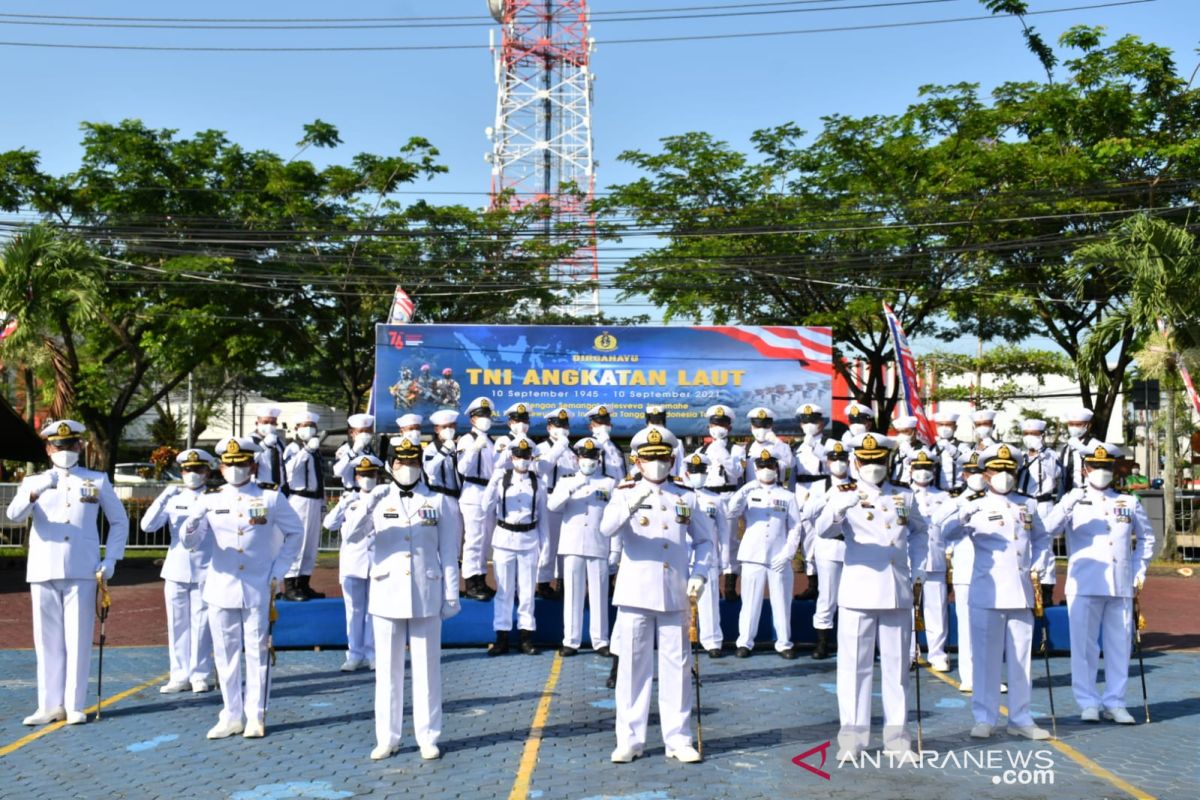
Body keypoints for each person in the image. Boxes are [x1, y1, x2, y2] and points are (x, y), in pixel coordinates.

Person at [342, 439, 462, 760]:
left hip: (426, 592)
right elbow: (350, 536)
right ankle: (388, 737)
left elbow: (449, 552)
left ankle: (428, 736)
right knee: (388, 672)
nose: (406, 468)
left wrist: (452, 594)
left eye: (412, 462)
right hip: (386, 593)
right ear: (391, 465)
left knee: (427, 669)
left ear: (420, 464)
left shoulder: (439, 500)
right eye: (400, 462)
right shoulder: (378, 500)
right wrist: (367, 504)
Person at [601, 425, 714, 764]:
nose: (657, 465)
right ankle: (629, 739)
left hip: (674, 591)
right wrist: (632, 502)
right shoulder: (624, 492)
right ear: (636, 460)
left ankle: (678, 739)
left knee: (676, 667)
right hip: (635, 592)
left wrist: (700, 573)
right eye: (650, 459)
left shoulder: (686, 494)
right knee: (633, 668)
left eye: (663, 458)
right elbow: (606, 529)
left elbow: (706, 541)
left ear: (672, 458)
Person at [813, 433, 929, 758]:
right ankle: (852, 740)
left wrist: (918, 566)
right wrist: (837, 510)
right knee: (854, 669)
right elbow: (822, 530)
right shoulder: (842, 493)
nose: (874, 467)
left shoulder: (904, 497)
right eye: (868, 462)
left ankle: (897, 740)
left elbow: (921, 532)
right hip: (860, 591)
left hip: (896, 590)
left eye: (880, 461)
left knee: (897, 670)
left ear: (887, 461)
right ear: (856, 462)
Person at [7, 420, 129, 726]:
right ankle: (49, 705)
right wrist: (34, 493)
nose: (65, 451)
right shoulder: (32, 481)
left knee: (77, 639)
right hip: (44, 567)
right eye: (58, 446)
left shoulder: (96, 480)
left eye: (70, 445)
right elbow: (12, 516)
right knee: (46, 641)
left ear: (79, 447)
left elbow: (119, 522)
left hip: (82, 568)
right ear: (48, 449)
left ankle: (74, 704)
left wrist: (111, 558)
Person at [182, 437, 304, 739]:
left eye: (241, 464)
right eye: (230, 465)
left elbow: (295, 533)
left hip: (258, 585)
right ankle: (231, 715)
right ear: (221, 468)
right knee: (224, 655)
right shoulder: (210, 499)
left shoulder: (271, 498)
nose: (235, 469)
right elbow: (191, 543)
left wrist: (279, 571)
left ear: (253, 465)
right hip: (221, 586)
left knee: (257, 653)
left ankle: (256, 715)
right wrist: (191, 523)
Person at [941, 443, 1053, 740]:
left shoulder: (1027, 505)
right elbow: (945, 534)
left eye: (1008, 470)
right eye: (997, 470)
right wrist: (962, 515)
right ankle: (985, 717)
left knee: (1021, 661)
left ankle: (1021, 718)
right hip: (987, 593)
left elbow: (1042, 539)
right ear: (986, 474)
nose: (1004, 475)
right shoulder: (975, 505)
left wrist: (1037, 565)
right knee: (986, 659)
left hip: (1021, 592)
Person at [1043, 443, 1154, 725]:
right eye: (1095, 467)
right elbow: (1046, 531)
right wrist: (1067, 502)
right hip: (1085, 583)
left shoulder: (1128, 502)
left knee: (1120, 645)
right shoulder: (1074, 501)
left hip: (1120, 584)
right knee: (1084, 647)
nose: (1101, 472)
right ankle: (1088, 701)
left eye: (1106, 467)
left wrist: (1139, 572)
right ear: (1085, 469)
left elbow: (1147, 539)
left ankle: (1116, 702)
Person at [141, 448, 217, 694]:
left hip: (206, 567)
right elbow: (148, 526)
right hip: (176, 568)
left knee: (202, 624)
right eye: (188, 469)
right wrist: (162, 498)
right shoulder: (173, 498)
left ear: (207, 471)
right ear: (181, 471)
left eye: (198, 469)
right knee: (177, 624)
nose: (192, 474)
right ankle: (179, 674)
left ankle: (200, 674)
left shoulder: (216, 498)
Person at [727, 449, 803, 659]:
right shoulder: (749, 493)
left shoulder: (787, 496)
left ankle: (784, 642)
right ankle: (745, 642)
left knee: (781, 601)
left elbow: (795, 527)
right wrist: (744, 489)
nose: (767, 470)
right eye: (762, 467)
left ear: (777, 469)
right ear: (756, 469)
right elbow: (731, 512)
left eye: (770, 466)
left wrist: (788, 553)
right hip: (753, 555)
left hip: (779, 555)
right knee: (750, 602)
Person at [549, 438, 617, 656]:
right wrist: (573, 488)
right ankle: (571, 640)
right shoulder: (566, 481)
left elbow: (614, 518)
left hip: (599, 544)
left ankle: (600, 641)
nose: (589, 461)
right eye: (585, 457)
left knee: (599, 595)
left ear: (598, 459)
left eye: (593, 457)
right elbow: (553, 506)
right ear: (578, 459)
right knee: (572, 595)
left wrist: (615, 549)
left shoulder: (608, 483)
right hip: (573, 545)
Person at [482, 437, 548, 656]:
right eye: (518, 456)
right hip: (504, 539)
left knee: (528, 592)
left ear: (531, 457)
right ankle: (501, 636)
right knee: (504, 590)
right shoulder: (501, 479)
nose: (522, 460)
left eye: (526, 456)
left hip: (529, 539)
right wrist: (493, 480)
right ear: (511, 457)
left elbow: (544, 519)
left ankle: (526, 637)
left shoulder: (539, 482)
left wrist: (545, 548)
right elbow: (485, 506)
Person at [323, 455, 383, 673]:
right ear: (356, 477)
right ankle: (354, 654)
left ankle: (372, 653)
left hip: (377, 561)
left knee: (374, 610)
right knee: (354, 610)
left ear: (377, 476)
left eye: (371, 475)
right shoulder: (349, 499)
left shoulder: (384, 498)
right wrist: (341, 506)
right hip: (353, 561)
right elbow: (329, 525)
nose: (367, 479)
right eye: (363, 475)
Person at [799, 440, 853, 660]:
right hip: (828, 547)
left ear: (849, 461)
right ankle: (822, 642)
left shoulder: (858, 484)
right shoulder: (819, 486)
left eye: (842, 459)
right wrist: (828, 496)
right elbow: (808, 512)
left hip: (852, 547)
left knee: (851, 597)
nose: (838, 463)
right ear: (826, 461)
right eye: (834, 459)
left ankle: (849, 643)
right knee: (827, 596)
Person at [941, 453, 988, 692]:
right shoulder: (955, 501)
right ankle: (969, 676)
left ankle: (987, 675)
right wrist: (960, 507)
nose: (977, 477)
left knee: (988, 628)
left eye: (981, 472)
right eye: (972, 473)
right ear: (964, 475)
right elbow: (937, 525)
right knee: (968, 626)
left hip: (990, 573)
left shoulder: (993, 500)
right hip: (965, 570)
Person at [681, 451, 731, 657]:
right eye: (693, 471)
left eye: (700, 471)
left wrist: (725, 558)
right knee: (680, 601)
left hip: (707, 557)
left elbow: (724, 531)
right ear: (686, 472)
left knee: (709, 601)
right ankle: (683, 640)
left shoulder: (716, 499)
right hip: (682, 556)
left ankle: (712, 642)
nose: (697, 475)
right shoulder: (679, 496)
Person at [907, 448, 953, 671]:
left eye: (926, 468)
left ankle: (937, 653)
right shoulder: (903, 495)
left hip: (935, 558)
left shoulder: (944, 498)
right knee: (908, 608)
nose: (922, 472)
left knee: (937, 610)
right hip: (909, 559)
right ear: (910, 469)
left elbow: (950, 530)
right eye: (918, 467)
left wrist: (949, 556)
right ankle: (909, 651)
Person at [1016, 418, 1062, 609]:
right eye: (1027, 434)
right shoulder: (1021, 456)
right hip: (1024, 503)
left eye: (1034, 435)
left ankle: (1045, 590)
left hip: (1043, 503)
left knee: (1044, 547)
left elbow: (1054, 473)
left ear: (1042, 436)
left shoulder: (1050, 456)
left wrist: (1042, 452)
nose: (1030, 438)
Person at [533, 407, 578, 600]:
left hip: (569, 501)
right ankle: (543, 582)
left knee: (566, 544)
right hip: (549, 499)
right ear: (550, 427)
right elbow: (541, 468)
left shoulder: (571, 450)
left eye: (565, 425)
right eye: (558, 425)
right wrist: (559, 446)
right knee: (548, 543)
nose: (563, 429)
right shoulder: (541, 447)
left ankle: (561, 582)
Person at [282, 411, 326, 601]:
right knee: (297, 541)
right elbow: (289, 472)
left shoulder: (315, 449)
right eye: (304, 425)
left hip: (314, 500)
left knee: (310, 543)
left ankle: (304, 583)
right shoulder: (293, 448)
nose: (309, 429)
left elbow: (320, 478)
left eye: (312, 426)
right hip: (298, 499)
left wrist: (323, 502)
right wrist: (305, 452)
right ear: (297, 429)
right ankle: (290, 585)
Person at [458, 398, 499, 601]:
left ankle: (481, 578)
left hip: (489, 492)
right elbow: (462, 468)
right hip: (473, 491)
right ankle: (471, 582)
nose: (485, 419)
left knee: (485, 540)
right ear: (472, 419)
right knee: (473, 539)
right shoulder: (467, 439)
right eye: (481, 415)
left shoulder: (491, 441)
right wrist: (473, 449)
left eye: (487, 415)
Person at [700, 405, 742, 599]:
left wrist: (725, 456)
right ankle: (713, 584)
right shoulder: (702, 449)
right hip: (708, 497)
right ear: (709, 427)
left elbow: (737, 473)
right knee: (711, 541)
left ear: (729, 427)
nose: (718, 428)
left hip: (728, 496)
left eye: (723, 424)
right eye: (715, 424)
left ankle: (730, 586)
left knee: (730, 541)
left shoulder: (736, 450)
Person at [793, 404, 827, 601]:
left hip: (821, 489)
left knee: (824, 537)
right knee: (807, 541)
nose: (808, 425)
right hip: (802, 493)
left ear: (821, 423)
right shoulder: (797, 447)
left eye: (812, 421)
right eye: (805, 422)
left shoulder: (829, 443)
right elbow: (792, 476)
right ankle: (812, 582)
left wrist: (815, 446)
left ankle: (825, 581)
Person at [734, 407, 794, 486]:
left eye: (765, 426)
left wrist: (777, 442)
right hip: (752, 493)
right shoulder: (745, 448)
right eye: (757, 426)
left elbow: (791, 463)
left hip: (775, 493)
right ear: (752, 427)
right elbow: (736, 472)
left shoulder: (780, 447)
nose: (761, 430)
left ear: (771, 427)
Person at [423, 409, 462, 499]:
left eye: (451, 426)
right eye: (444, 427)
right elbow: (430, 471)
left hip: (457, 497)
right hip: (438, 497)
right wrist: (444, 451)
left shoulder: (459, 446)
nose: (448, 429)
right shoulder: (431, 449)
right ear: (437, 429)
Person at [334, 413, 378, 491]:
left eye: (368, 431)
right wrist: (353, 452)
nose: (365, 434)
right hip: (353, 493)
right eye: (361, 431)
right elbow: (337, 472)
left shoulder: (370, 450)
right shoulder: (346, 449)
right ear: (351, 432)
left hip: (370, 494)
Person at [250, 404, 289, 492]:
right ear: (257, 423)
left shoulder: (279, 442)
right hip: (259, 489)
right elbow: (248, 462)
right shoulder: (249, 441)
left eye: (273, 423)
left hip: (280, 489)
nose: (269, 425)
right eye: (265, 422)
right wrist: (264, 445)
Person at [586, 405, 627, 480]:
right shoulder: (587, 445)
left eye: (606, 422)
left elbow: (622, 469)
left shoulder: (616, 446)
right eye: (600, 423)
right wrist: (600, 442)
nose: (604, 425)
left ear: (611, 425)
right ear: (590, 427)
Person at [932, 409, 968, 492]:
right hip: (937, 492)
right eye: (941, 425)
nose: (944, 428)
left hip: (957, 491)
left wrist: (954, 451)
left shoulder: (963, 446)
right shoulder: (932, 447)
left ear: (955, 427)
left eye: (948, 425)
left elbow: (968, 463)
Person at [887, 416, 919, 486]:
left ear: (914, 431)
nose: (902, 435)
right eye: (899, 432)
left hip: (910, 484)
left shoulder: (921, 447)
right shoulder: (896, 447)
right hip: (894, 482)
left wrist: (910, 452)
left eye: (905, 431)